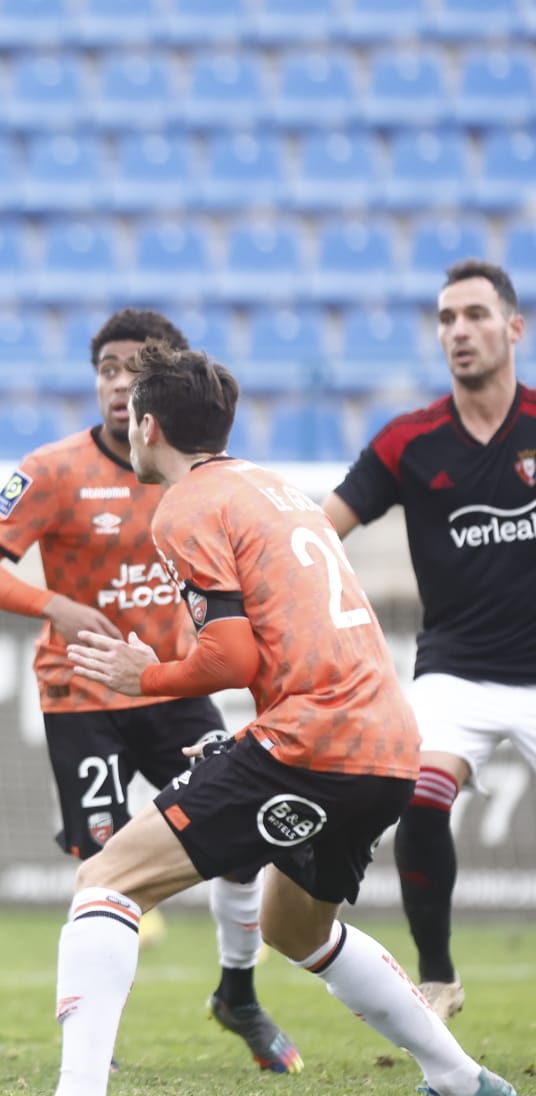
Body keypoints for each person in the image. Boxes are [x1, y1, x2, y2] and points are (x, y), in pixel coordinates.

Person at [58, 344, 515, 1096]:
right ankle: (462, 1080)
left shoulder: (187, 505)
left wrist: (151, 676)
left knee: (107, 879)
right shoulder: (275, 490)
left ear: (147, 427)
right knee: (294, 929)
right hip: (390, 745)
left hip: (316, 739)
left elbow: (231, 656)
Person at [0, 309, 298, 1073]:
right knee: (110, 870)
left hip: (174, 686)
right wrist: (54, 606)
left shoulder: (202, 477)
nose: (117, 382)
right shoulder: (52, 471)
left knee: (243, 844)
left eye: (134, 369)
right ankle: (90, 1057)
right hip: (84, 696)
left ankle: (237, 993)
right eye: (107, 367)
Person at [323, 259, 534, 1022]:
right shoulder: (409, 441)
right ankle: (438, 982)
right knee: (420, 792)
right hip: (458, 671)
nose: (459, 332)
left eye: (475, 315)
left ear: (514, 328)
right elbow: (322, 533)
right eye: (446, 319)